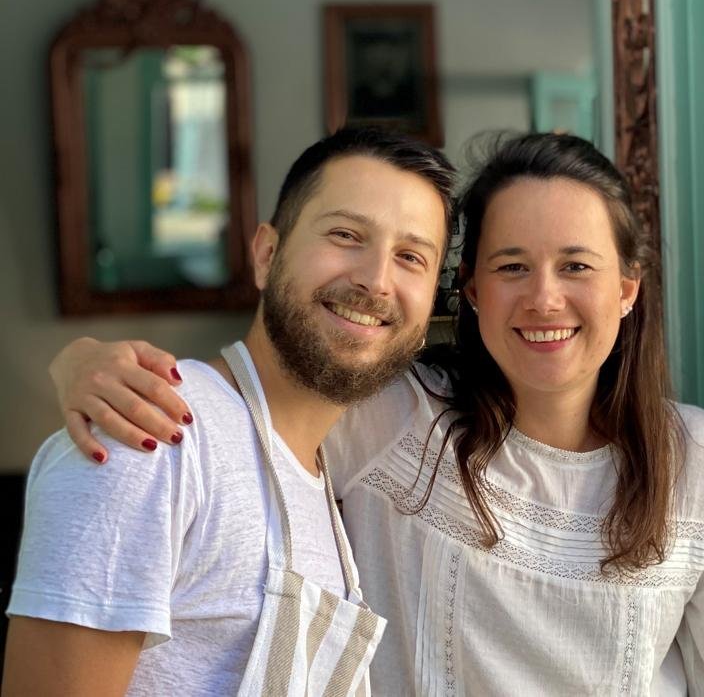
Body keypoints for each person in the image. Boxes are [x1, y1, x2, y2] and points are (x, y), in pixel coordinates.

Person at [46, 133, 704, 695]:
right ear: (471, 293)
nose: (544, 298)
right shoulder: (397, 414)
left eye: (577, 266)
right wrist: (83, 361)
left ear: (627, 289)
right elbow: (268, 397)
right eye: (512, 266)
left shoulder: (699, 465)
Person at [4, 126, 454, 695]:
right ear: (266, 255)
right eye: (345, 234)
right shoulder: (153, 434)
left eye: (411, 257)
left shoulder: (327, 467)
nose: (376, 280)